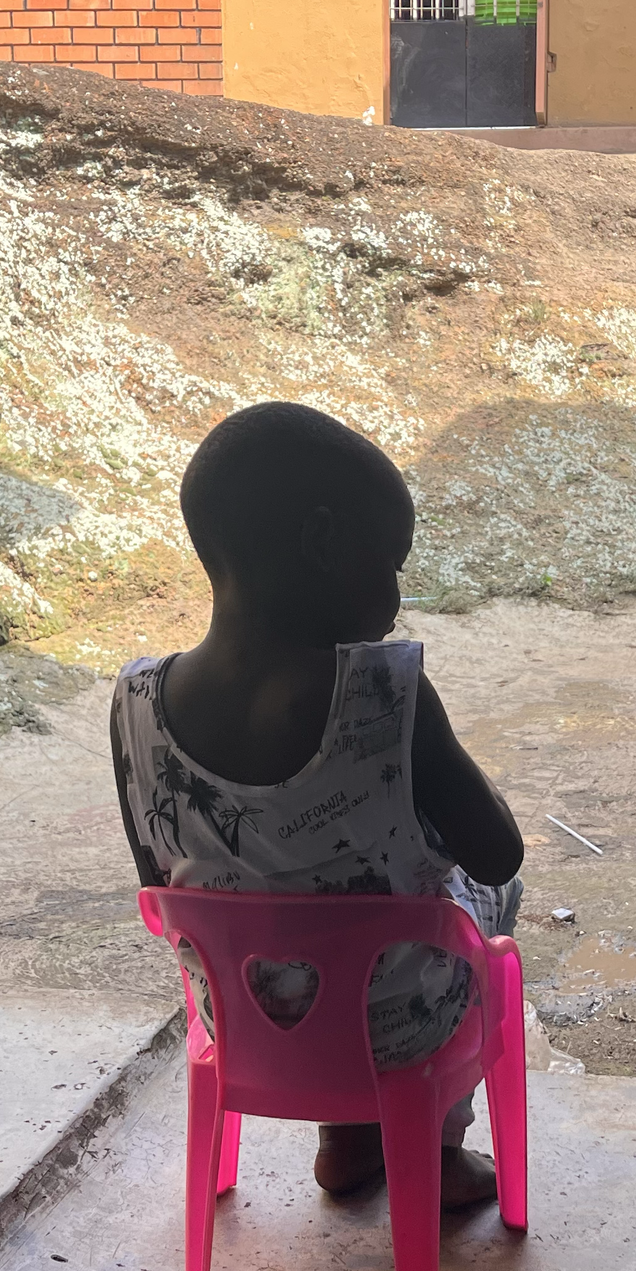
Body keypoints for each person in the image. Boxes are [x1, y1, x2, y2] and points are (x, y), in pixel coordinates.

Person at [112, 402, 525, 1211]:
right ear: (325, 543)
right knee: (489, 901)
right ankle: (435, 1150)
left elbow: (158, 877)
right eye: (392, 561)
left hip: (246, 1022)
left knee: (275, 899)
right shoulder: (384, 691)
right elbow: (498, 852)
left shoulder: (134, 702)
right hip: (397, 1027)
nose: (399, 591)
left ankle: (344, 1139)